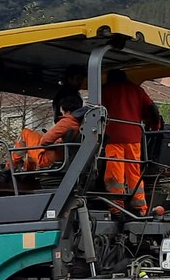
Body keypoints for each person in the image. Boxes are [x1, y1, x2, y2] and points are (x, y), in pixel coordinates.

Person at [100, 68, 163, 214]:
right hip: (134, 138)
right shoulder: (137, 90)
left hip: (114, 138)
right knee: (134, 172)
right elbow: (153, 109)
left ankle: (117, 207)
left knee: (115, 173)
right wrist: (155, 126)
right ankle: (140, 206)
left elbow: (98, 112)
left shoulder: (106, 90)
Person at [31, 92, 85, 170]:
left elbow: (44, 141)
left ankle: (10, 168)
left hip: (50, 158)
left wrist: (55, 141)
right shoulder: (78, 122)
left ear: (63, 108)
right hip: (61, 154)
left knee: (25, 134)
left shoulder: (67, 121)